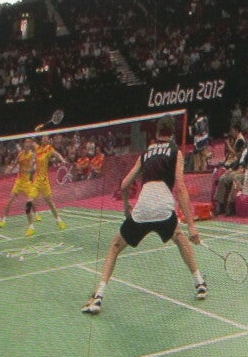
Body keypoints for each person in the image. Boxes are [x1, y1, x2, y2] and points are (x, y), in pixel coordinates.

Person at [81, 119, 206, 314]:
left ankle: (98, 297)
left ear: (157, 132)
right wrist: (192, 226)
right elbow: (180, 188)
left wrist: (126, 207)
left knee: (115, 247)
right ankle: (199, 284)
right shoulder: (176, 152)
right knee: (180, 238)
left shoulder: (146, 153)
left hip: (143, 208)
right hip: (164, 209)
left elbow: (124, 185)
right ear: (172, 133)